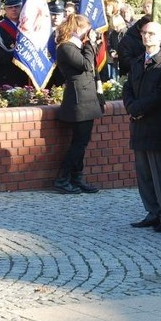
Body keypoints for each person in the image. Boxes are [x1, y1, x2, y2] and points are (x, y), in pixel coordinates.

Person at [123, 22, 161, 232]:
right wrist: (131, 107)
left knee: (160, 173)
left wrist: (138, 108)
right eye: (144, 33)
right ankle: (152, 211)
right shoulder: (138, 61)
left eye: (151, 33)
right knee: (144, 173)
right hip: (138, 124)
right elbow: (128, 88)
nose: (147, 37)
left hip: (157, 123)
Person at [54, 14, 102, 194]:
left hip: (86, 98)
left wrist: (91, 45)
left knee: (81, 142)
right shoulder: (66, 47)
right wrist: (90, 44)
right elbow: (85, 64)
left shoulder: (77, 46)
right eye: (85, 29)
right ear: (76, 29)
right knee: (79, 143)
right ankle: (62, 179)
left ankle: (77, 177)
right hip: (78, 100)